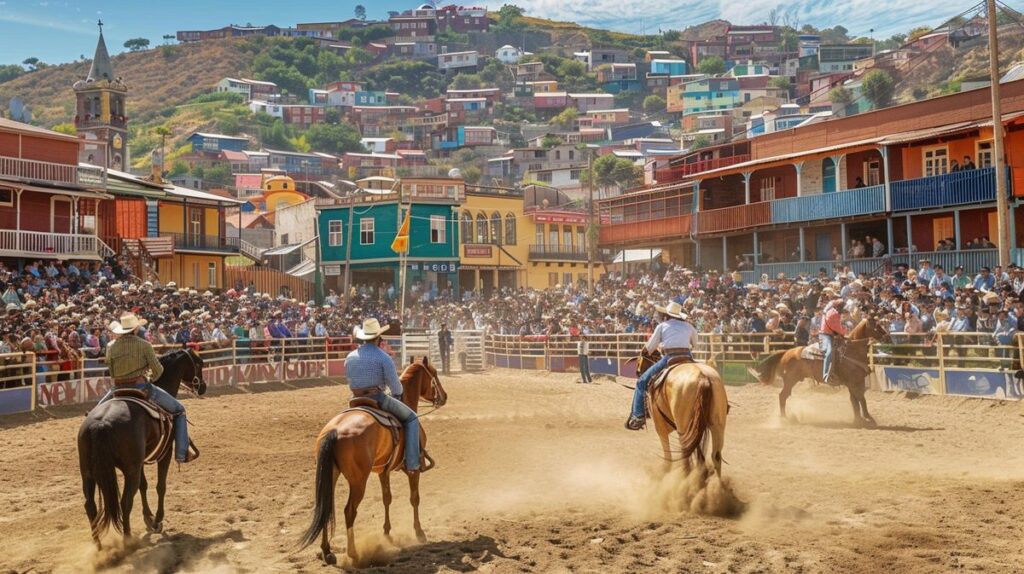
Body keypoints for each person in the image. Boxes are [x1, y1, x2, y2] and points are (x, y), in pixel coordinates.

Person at [96, 313, 197, 463]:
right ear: (135, 329)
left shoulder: (111, 346)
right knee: (179, 410)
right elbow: (158, 370)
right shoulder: (144, 345)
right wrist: (150, 378)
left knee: (96, 413)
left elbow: (111, 370)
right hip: (141, 387)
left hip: (117, 389)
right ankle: (182, 453)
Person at [345, 318, 422, 473]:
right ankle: (412, 463)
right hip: (377, 398)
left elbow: (349, 379)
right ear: (379, 337)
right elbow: (396, 387)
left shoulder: (350, 357)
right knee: (412, 418)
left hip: (355, 400)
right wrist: (397, 394)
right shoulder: (383, 357)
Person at [626, 301, 697, 431]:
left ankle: (638, 415)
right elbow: (695, 344)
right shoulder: (689, 326)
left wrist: (646, 350)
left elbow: (650, 347)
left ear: (666, 315)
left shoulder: (662, 326)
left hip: (670, 357)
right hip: (687, 357)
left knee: (642, 382)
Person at [820, 297, 846, 385]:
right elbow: (838, 329)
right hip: (826, 335)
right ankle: (825, 375)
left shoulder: (834, 312)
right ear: (838, 307)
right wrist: (845, 331)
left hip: (830, 334)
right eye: (842, 307)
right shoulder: (833, 314)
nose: (842, 308)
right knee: (829, 352)